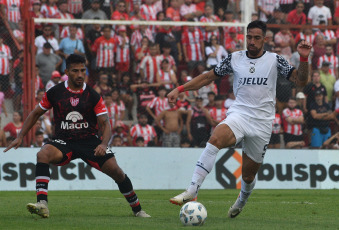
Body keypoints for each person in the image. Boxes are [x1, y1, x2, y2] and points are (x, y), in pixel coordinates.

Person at [167, 20, 311, 218]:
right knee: (215, 138)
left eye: (257, 38)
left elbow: (301, 81)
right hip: (239, 115)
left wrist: (304, 60)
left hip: (262, 123)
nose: (252, 41)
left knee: (248, 175)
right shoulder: (234, 58)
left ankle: (241, 200)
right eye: (249, 37)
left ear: (265, 39)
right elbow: (208, 77)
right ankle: (192, 189)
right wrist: (180, 89)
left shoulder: (275, 60)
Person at [3, 54, 150, 218]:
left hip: (90, 142)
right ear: (66, 71)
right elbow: (35, 113)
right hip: (64, 141)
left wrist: (103, 144)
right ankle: (42, 204)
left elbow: (105, 123)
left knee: (117, 172)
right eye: (75, 71)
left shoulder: (93, 95)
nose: (80, 74)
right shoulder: (54, 92)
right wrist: (20, 135)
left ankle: (138, 210)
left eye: (82, 70)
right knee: (42, 154)